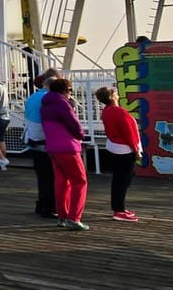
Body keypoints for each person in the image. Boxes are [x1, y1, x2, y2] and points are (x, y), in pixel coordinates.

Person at [42, 78, 89, 231]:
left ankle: (62, 215)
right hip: (68, 147)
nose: (70, 94)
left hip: (53, 147)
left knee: (61, 182)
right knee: (79, 182)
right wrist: (81, 134)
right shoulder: (62, 103)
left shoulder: (45, 104)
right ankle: (74, 218)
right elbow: (73, 123)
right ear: (64, 90)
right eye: (70, 90)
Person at [95, 86, 142, 222]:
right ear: (112, 96)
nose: (117, 93)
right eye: (114, 91)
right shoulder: (119, 112)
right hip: (124, 150)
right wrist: (136, 150)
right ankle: (119, 210)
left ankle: (118, 207)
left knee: (119, 180)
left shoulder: (106, 111)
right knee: (122, 181)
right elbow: (129, 134)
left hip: (113, 147)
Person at [24, 72, 58, 218]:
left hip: (31, 137)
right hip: (45, 139)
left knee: (41, 175)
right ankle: (49, 207)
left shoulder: (32, 96)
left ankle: (41, 204)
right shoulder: (49, 98)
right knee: (51, 176)